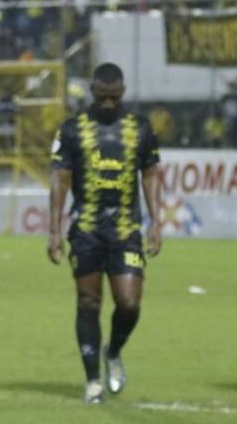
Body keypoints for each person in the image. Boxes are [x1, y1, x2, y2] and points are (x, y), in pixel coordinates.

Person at [47, 63, 162, 404]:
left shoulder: (140, 129)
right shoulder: (72, 130)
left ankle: (113, 349)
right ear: (93, 93)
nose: (108, 104)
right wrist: (53, 229)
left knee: (128, 302)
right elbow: (60, 180)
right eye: (102, 98)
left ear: (123, 93)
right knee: (88, 301)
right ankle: (93, 380)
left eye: (114, 98)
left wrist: (157, 221)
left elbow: (151, 174)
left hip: (126, 228)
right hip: (87, 229)